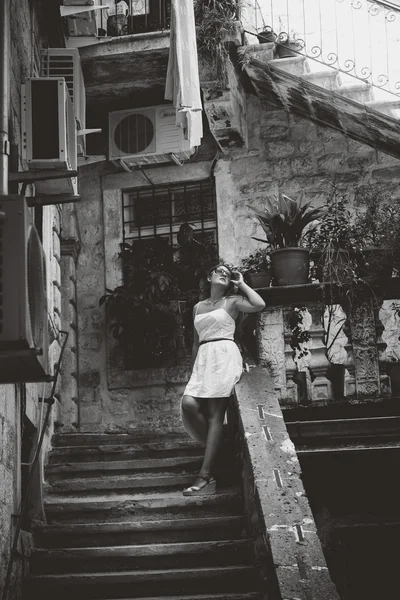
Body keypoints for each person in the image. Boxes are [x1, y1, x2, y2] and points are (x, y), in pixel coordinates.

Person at [181, 264, 266, 496]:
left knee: (215, 415)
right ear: (209, 277)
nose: (223, 273)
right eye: (219, 271)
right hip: (204, 360)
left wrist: (242, 283)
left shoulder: (234, 301)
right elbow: (196, 343)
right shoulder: (197, 307)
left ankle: (205, 475)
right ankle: (222, 449)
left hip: (224, 355)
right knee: (188, 403)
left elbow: (259, 304)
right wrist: (194, 370)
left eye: (227, 274)